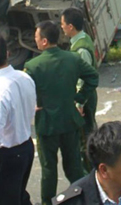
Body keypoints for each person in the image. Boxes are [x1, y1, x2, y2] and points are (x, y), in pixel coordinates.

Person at [24, 20, 99, 205]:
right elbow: (93, 77)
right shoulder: (72, 58)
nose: (35, 41)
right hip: (70, 121)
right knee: (73, 167)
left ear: (43, 41)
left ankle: (47, 202)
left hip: (47, 125)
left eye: (36, 38)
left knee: (49, 170)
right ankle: (83, 199)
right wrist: (79, 98)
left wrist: (32, 105)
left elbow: (24, 91)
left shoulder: (33, 66)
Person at [0, 32, 37, 205]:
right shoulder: (24, 78)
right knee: (19, 195)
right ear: (7, 54)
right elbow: (31, 109)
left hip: (8, 155)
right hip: (26, 146)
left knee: (6, 199)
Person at [60, 7, 98, 171]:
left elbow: (84, 79)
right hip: (86, 96)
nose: (61, 27)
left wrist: (80, 104)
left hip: (85, 98)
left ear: (70, 26)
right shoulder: (82, 39)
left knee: (85, 137)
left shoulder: (81, 49)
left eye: (62, 24)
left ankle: (90, 171)